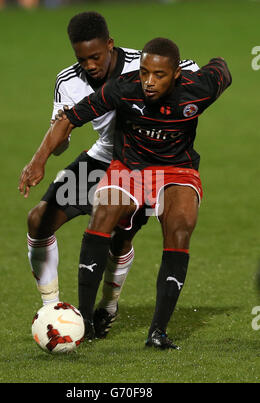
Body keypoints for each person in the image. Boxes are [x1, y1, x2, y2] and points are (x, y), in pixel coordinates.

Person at [20, 37, 231, 349]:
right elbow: (71, 119)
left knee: (181, 226)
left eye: (159, 75)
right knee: (104, 211)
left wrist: (215, 65)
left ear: (176, 74)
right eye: (144, 72)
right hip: (129, 167)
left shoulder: (199, 87)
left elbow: (222, 69)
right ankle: (87, 323)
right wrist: (38, 161)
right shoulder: (123, 87)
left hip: (177, 169)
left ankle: (157, 332)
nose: (148, 82)